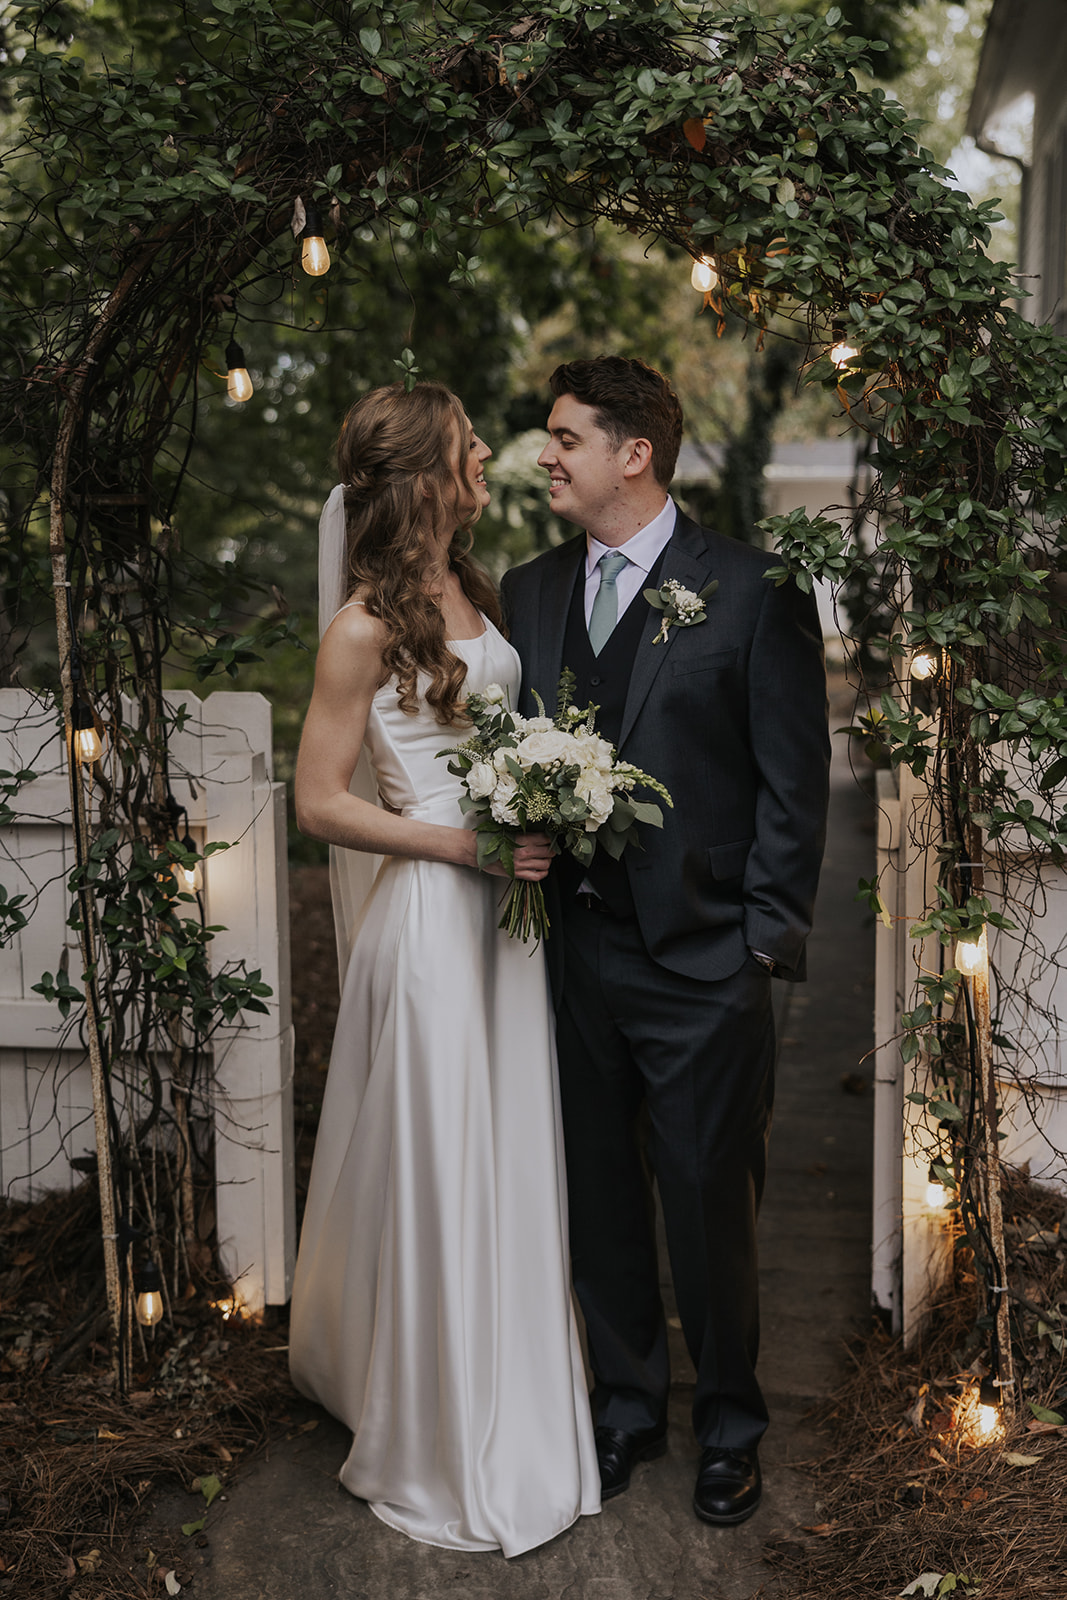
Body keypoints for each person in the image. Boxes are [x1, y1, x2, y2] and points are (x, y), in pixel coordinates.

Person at [500, 356, 830, 1527]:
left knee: (706, 1203)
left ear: (631, 453)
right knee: (599, 1197)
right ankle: (626, 1405)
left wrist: (761, 946)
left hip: (703, 962)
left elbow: (795, 778)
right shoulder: (530, 589)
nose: (545, 454)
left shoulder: (745, 587)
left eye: (563, 436)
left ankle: (729, 1423)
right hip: (573, 954)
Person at [288, 380, 600, 1556]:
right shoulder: (359, 627)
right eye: (470, 446)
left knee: (507, 1150)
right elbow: (318, 802)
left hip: (505, 928)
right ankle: (434, 1426)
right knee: (439, 1159)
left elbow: (501, 738)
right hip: (428, 924)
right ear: (426, 473)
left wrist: (543, 801)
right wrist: (459, 842)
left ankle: (516, 1394)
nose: (489, 458)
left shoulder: (476, 589)